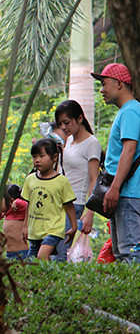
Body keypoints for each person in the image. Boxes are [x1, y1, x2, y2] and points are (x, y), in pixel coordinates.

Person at [91, 63, 140, 263]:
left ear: (119, 84)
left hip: (128, 193)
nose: (101, 90)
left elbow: (129, 151)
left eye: (104, 84)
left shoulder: (131, 111)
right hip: (122, 194)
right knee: (121, 254)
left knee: (130, 254)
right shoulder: (128, 111)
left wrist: (115, 187)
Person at [53, 100, 101, 262]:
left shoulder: (91, 143)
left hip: (75, 203)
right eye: (61, 124)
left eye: (66, 122)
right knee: (53, 250)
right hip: (59, 202)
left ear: (80, 118)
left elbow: (94, 179)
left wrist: (90, 212)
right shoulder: (69, 142)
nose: (64, 127)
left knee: (60, 253)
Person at [22, 138, 77, 260]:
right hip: (35, 230)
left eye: (42, 156)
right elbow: (29, 205)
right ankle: (48, 278)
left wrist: (74, 227)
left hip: (53, 229)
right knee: (32, 263)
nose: (37, 160)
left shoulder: (61, 181)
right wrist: (25, 226)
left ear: (55, 157)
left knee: (42, 257)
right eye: (34, 156)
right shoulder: (30, 179)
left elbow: (69, 205)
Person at [2, 184, 29, 261]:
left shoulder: (18, 209)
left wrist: (17, 202)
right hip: (9, 254)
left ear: (11, 200)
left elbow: (27, 205)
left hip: (21, 254)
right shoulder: (8, 212)